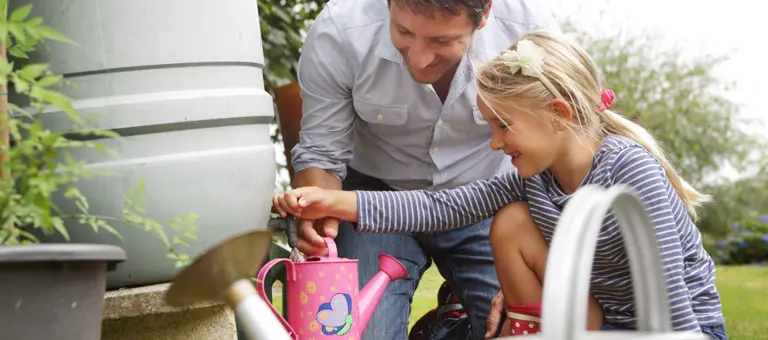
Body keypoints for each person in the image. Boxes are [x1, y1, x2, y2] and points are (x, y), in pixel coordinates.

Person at [274, 31, 728, 339]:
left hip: (674, 329)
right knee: (510, 221)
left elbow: (671, 300)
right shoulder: (535, 182)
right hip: (599, 324)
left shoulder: (630, 171)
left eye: (504, 126)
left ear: (560, 113)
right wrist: (332, 199)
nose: (495, 143)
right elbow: (441, 208)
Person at [289, 0, 557, 339]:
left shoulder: (528, 28)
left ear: (485, 13)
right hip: (374, 198)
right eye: (403, 32)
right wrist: (318, 229)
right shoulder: (341, 30)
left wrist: (528, 285)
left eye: (442, 41)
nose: (418, 59)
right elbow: (321, 153)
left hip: (489, 197)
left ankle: (447, 328)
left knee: (521, 326)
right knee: (348, 329)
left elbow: (556, 145)